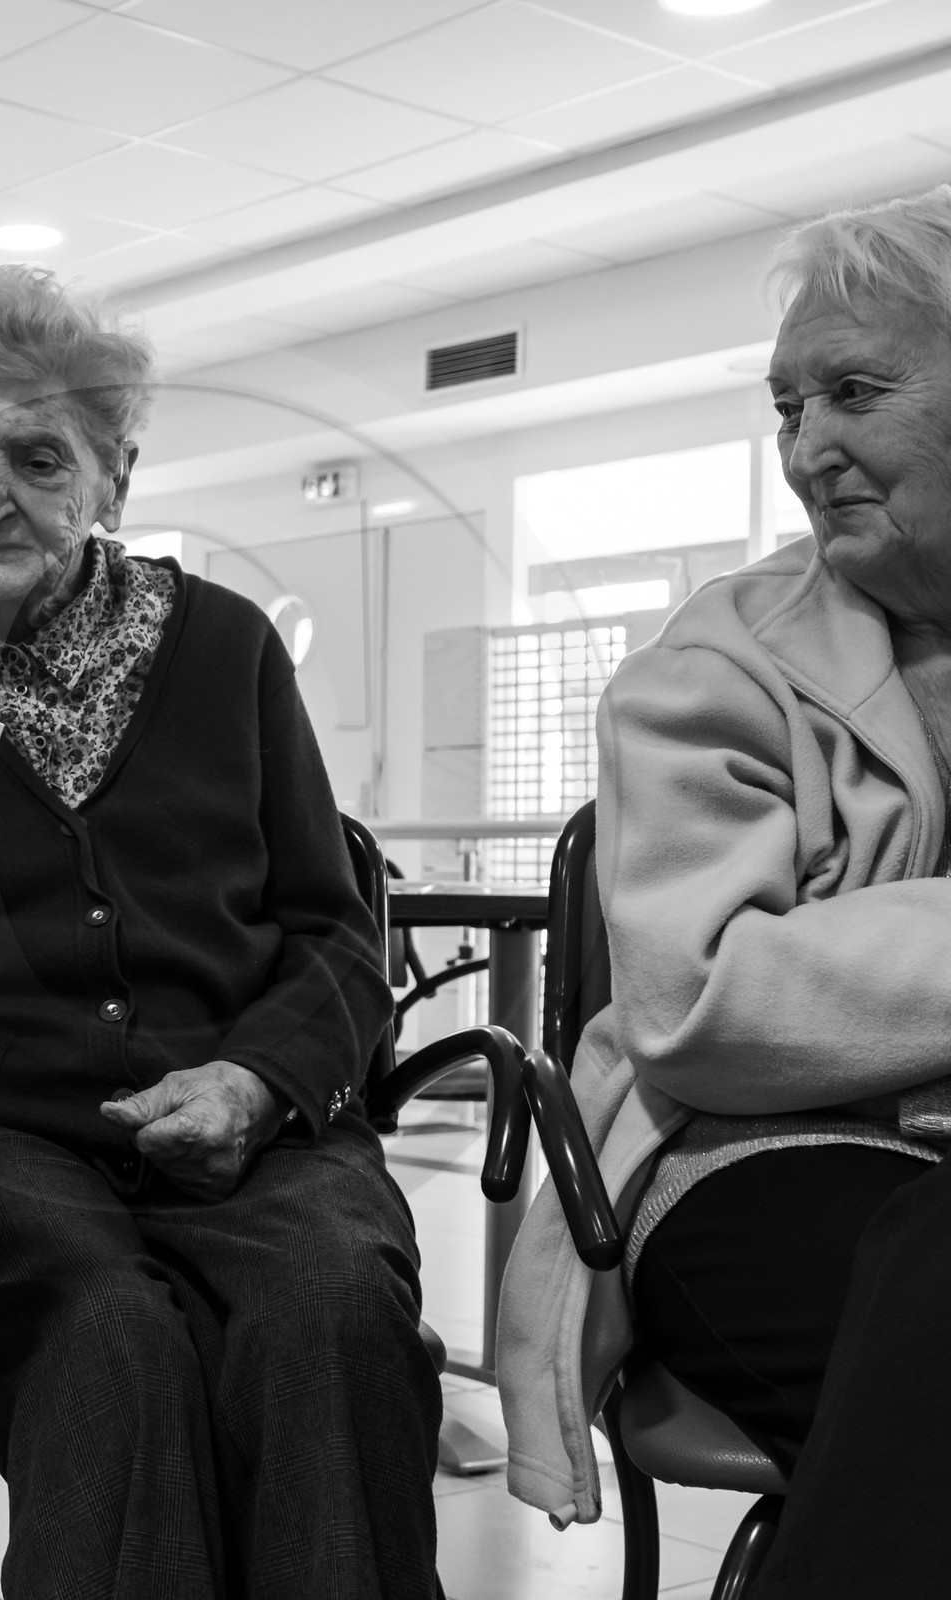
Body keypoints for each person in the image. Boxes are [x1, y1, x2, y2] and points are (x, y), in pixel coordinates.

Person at [0, 263, 443, 1599]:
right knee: (109, 1334)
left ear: (115, 476)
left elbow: (331, 931)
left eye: (39, 454)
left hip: (251, 1123)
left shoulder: (226, 647)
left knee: (331, 1308)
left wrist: (259, 1079)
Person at [496, 186, 951, 1595]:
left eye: (857, 393)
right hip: (747, 1159)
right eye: (788, 406)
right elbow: (705, 1003)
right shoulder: (718, 663)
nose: (809, 448)